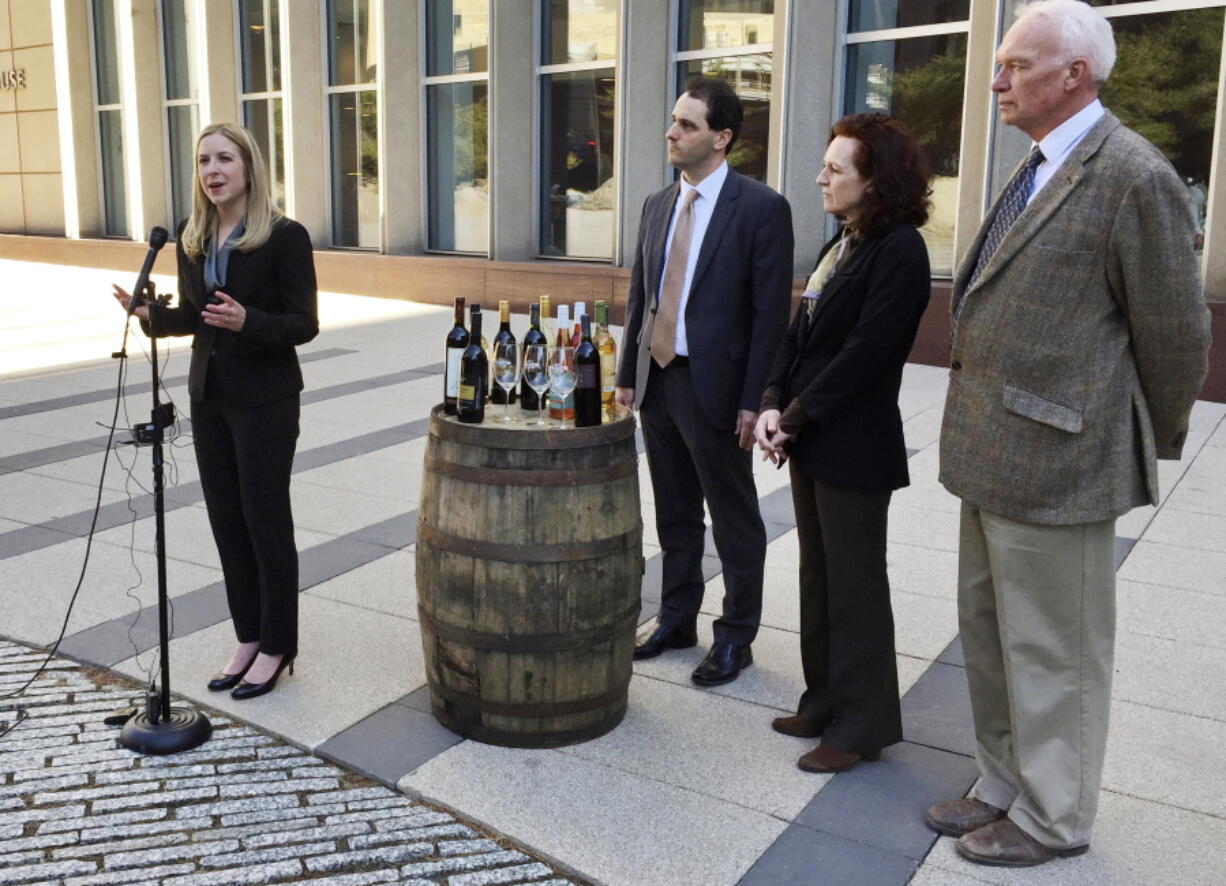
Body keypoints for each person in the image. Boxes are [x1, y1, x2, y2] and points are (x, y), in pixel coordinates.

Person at [927, 0, 1211, 867]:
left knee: (1056, 652)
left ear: (1073, 75)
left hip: (1062, 462)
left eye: (1015, 64)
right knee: (990, 634)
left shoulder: (1133, 174)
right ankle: (1004, 781)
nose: (997, 77)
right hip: (991, 453)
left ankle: (1056, 816)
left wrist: (1134, 441)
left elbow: (1175, 334)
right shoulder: (1039, 165)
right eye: (1002, 62)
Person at [112, 122, 319, 701]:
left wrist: (250, 321)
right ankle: (248, 636)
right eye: (204, 161)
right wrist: (150, 316)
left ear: (249, 166)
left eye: (224, 158)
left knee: (264, 521)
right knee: (227, 524)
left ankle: (279, 644)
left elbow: (304, 323)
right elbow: (199, 316)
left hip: (266, 400)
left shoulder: (285, 236)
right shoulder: (193, 237)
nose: (213, 171)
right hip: (210, 398)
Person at [755, 113, 931, 773]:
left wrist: (795, 415)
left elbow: (866, 354)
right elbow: (796, 336)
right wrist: (773, 403)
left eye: (836, 169)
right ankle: (824, 700)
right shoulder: (845, 243)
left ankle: (863, 726)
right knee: (818, 577)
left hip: (855, 447)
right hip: (815, 438)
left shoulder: (900, 250)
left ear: (874, 181)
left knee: (855, 585)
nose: (821, 177)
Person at [615, 75, 793, 686]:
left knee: (734, 515)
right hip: (659, 380)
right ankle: (676, 617)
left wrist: (756, 401)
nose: (671, 131)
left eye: (687, 124)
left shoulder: (762, 209)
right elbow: (640, 297)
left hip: (719, 391)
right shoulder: (657, 204)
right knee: (675, 511)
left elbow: (771, 318)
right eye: (673, 119)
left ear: (721, 138)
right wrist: (626, 377)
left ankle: (736, 636)